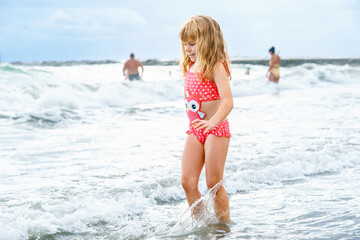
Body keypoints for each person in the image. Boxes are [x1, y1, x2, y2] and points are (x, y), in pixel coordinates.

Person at [179, 15, 233, 223]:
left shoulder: (215, 66)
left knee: (213, 182)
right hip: (195, 130)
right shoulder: (190, 66)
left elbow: (228, 101)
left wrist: (213, 122)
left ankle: (223, 226)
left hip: (216, 129)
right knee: (187, 182)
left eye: (192, 44)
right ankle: (202, 223)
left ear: (207, 41)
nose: (188, 49)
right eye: (185, 44)